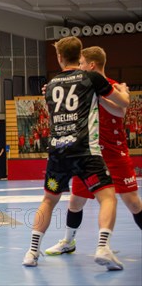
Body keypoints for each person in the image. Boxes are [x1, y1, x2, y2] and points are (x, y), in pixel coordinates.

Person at [22, 36, 130, 270]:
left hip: (57, 153)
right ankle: (102, 247)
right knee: (108, 197)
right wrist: (123, 91)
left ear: (59, 58)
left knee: (49, 200)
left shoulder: (50, 85)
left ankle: (31, 252)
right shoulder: (90, 77)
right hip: (85, 151)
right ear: (79, 55)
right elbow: (121, 103)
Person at [45, 46, 142, 256]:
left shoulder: (111, 86)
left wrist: (99, 95)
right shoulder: (80, 87)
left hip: (116, 154)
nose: (78, 67)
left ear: (91, 65)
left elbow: (121, 111)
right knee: (75, 201)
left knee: (133, 203)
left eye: (80, 63)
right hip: (90, 153)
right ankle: (68, 242)